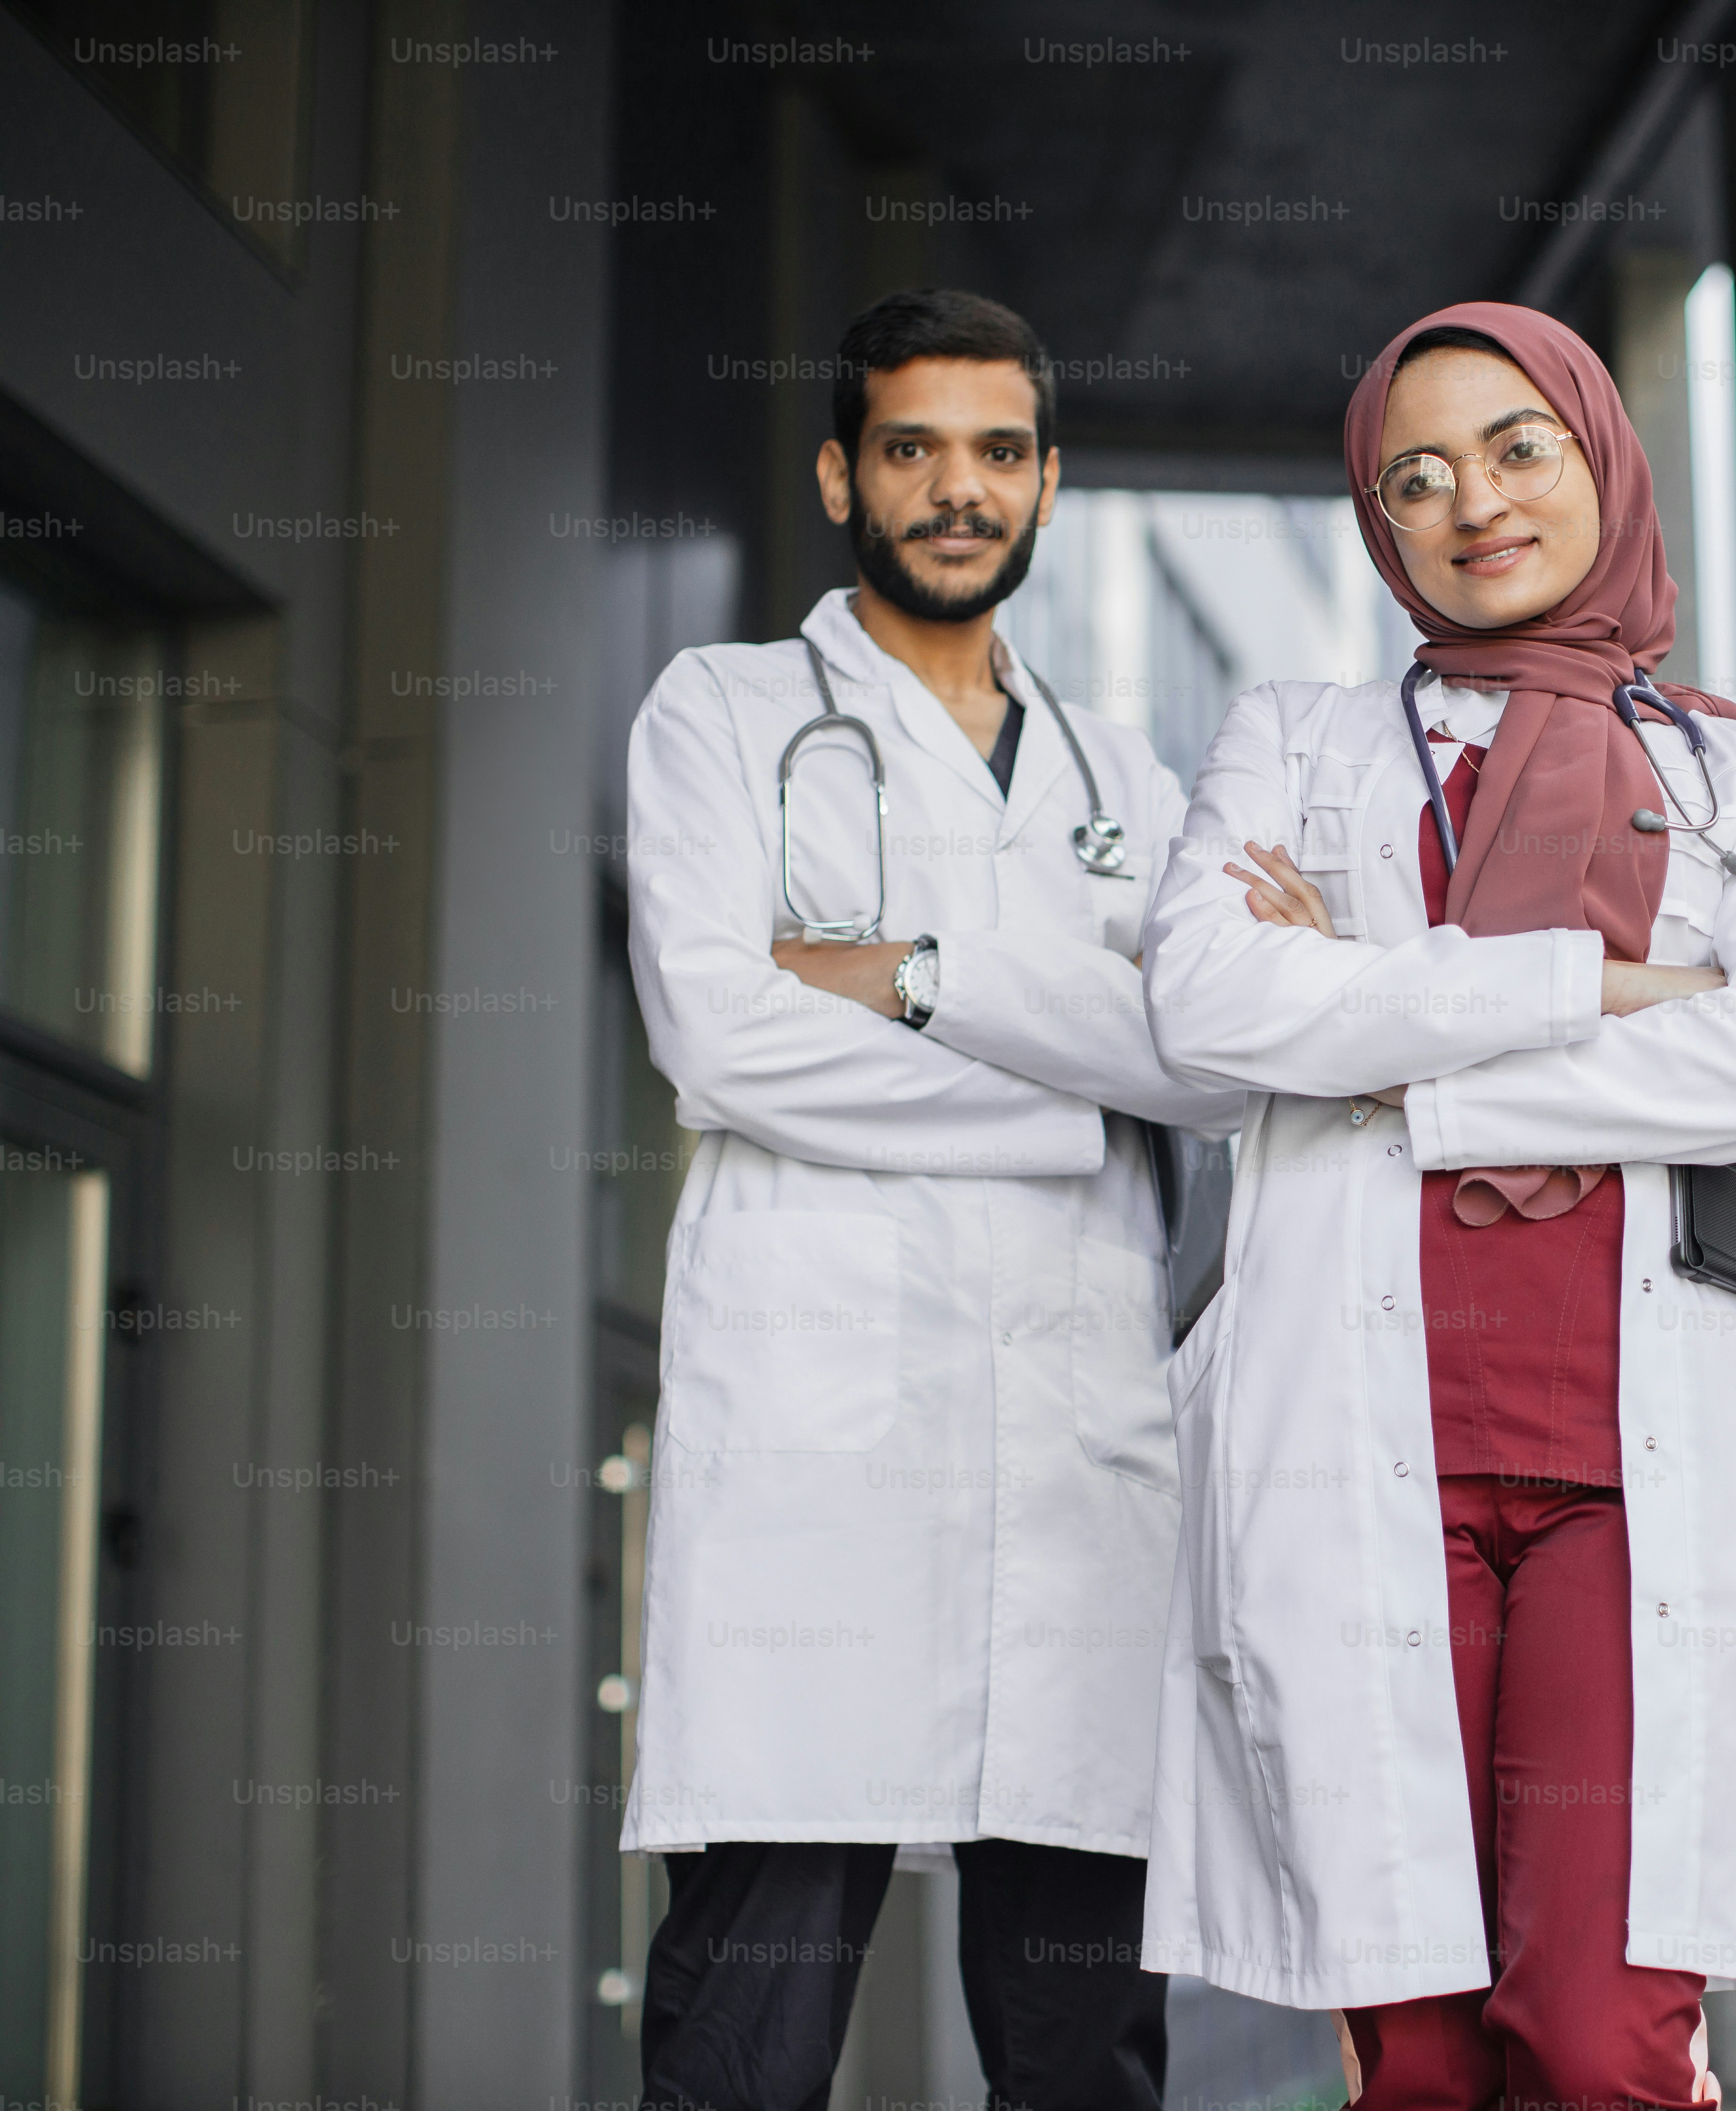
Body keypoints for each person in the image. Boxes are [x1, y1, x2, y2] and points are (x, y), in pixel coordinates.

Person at [1135, 301, 1736, 2110]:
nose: (1477, 502)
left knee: (1602, 2042)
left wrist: (1388, 1028)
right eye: (1419, 474)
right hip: (1357, 1449)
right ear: (1380, 524)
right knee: (1422, 2066)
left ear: (1601, 457)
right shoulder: (1294, 737)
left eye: (1520, 447)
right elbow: (1213, 1010)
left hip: (1642, 1469)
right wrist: (1602, 986)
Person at [621, 286, 1238, 2110]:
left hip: (1076, 1485)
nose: (955, 490)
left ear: (1048, 485)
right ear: (840, 475)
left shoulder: (1130, 777)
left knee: (1085, 2064)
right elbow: (722, 1040)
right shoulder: (726, 713)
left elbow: (1208, 1060)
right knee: (744, 2043)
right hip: (818, 1497)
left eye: (996, 453)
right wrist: (1073, 1102)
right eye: (912, 449)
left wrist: (904, 971)